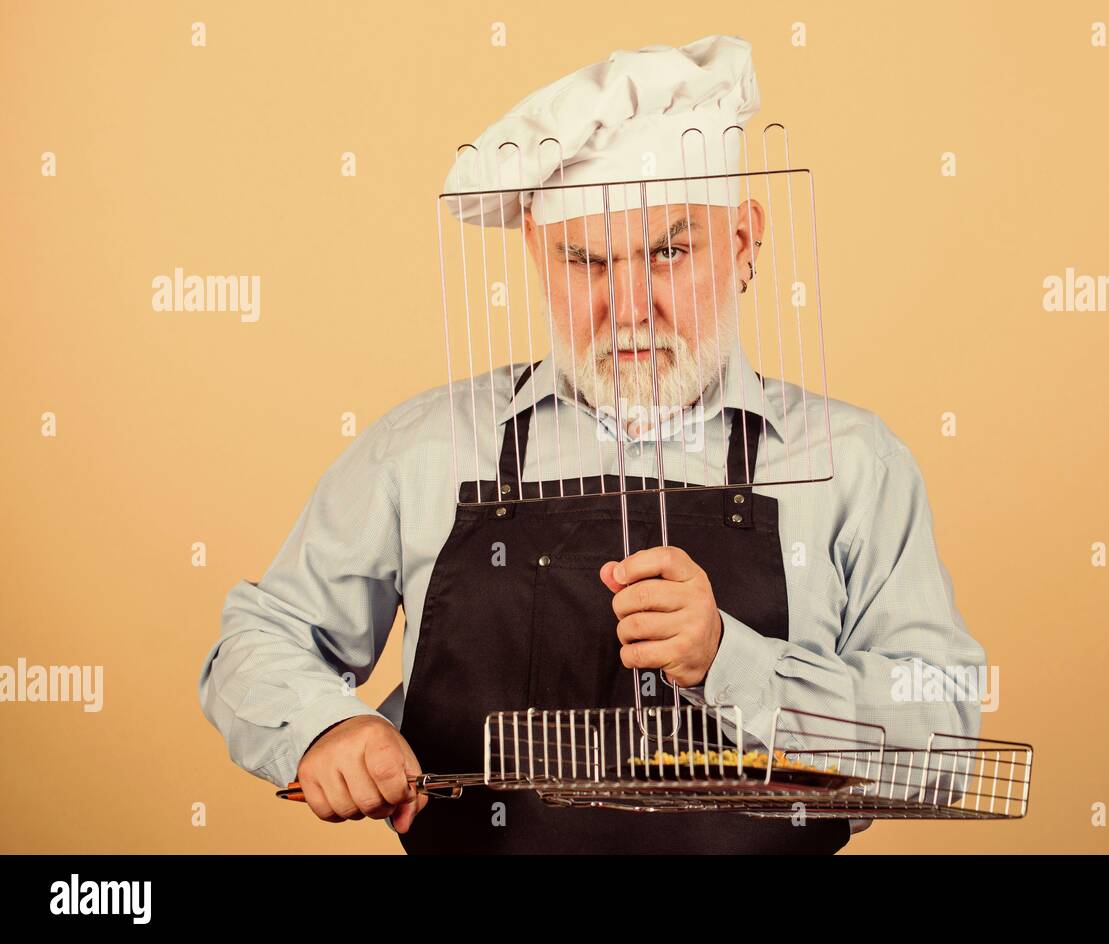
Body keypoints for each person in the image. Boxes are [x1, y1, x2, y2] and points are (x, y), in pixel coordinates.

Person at [198, 34, 987, 854]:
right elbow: (259, 638)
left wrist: (729, 659)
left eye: (670, 252)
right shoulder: (423, 451)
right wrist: (324, 729)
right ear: (536, 253)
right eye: (585, 263)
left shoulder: (856, 464)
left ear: (746, 241)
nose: (629, 307)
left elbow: (944, 734)